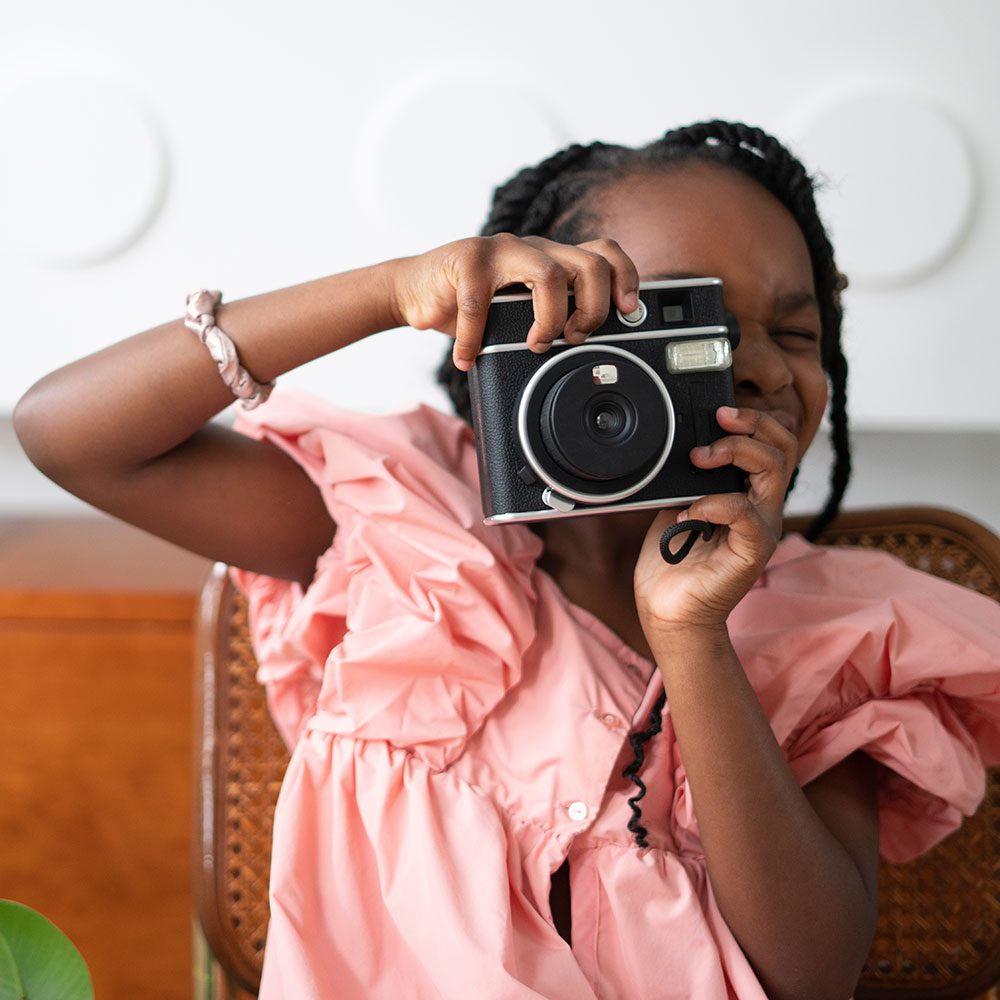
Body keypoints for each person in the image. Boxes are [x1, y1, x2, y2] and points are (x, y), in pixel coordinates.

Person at [14, 120, 1000, 1000]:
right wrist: (390, 289)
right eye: (672, 320)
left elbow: (809, 972)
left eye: (794, 331)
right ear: (517, 328)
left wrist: (693, 636)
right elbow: (68, 433)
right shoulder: (401, 526)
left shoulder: (837, 639)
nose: (747, 362)